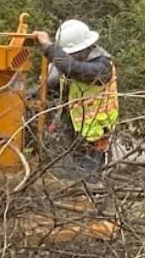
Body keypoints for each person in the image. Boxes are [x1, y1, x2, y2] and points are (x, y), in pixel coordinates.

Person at [35, 19, 118, 183]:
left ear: (85, 48)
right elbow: (51, 88)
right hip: (72, 133)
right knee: (64, 182)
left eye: (71, 53)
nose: (70, 57)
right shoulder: (74, 65)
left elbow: (72, 69)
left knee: (86, 183)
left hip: (94, 137)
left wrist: (49, 47)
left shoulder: (102, 67)